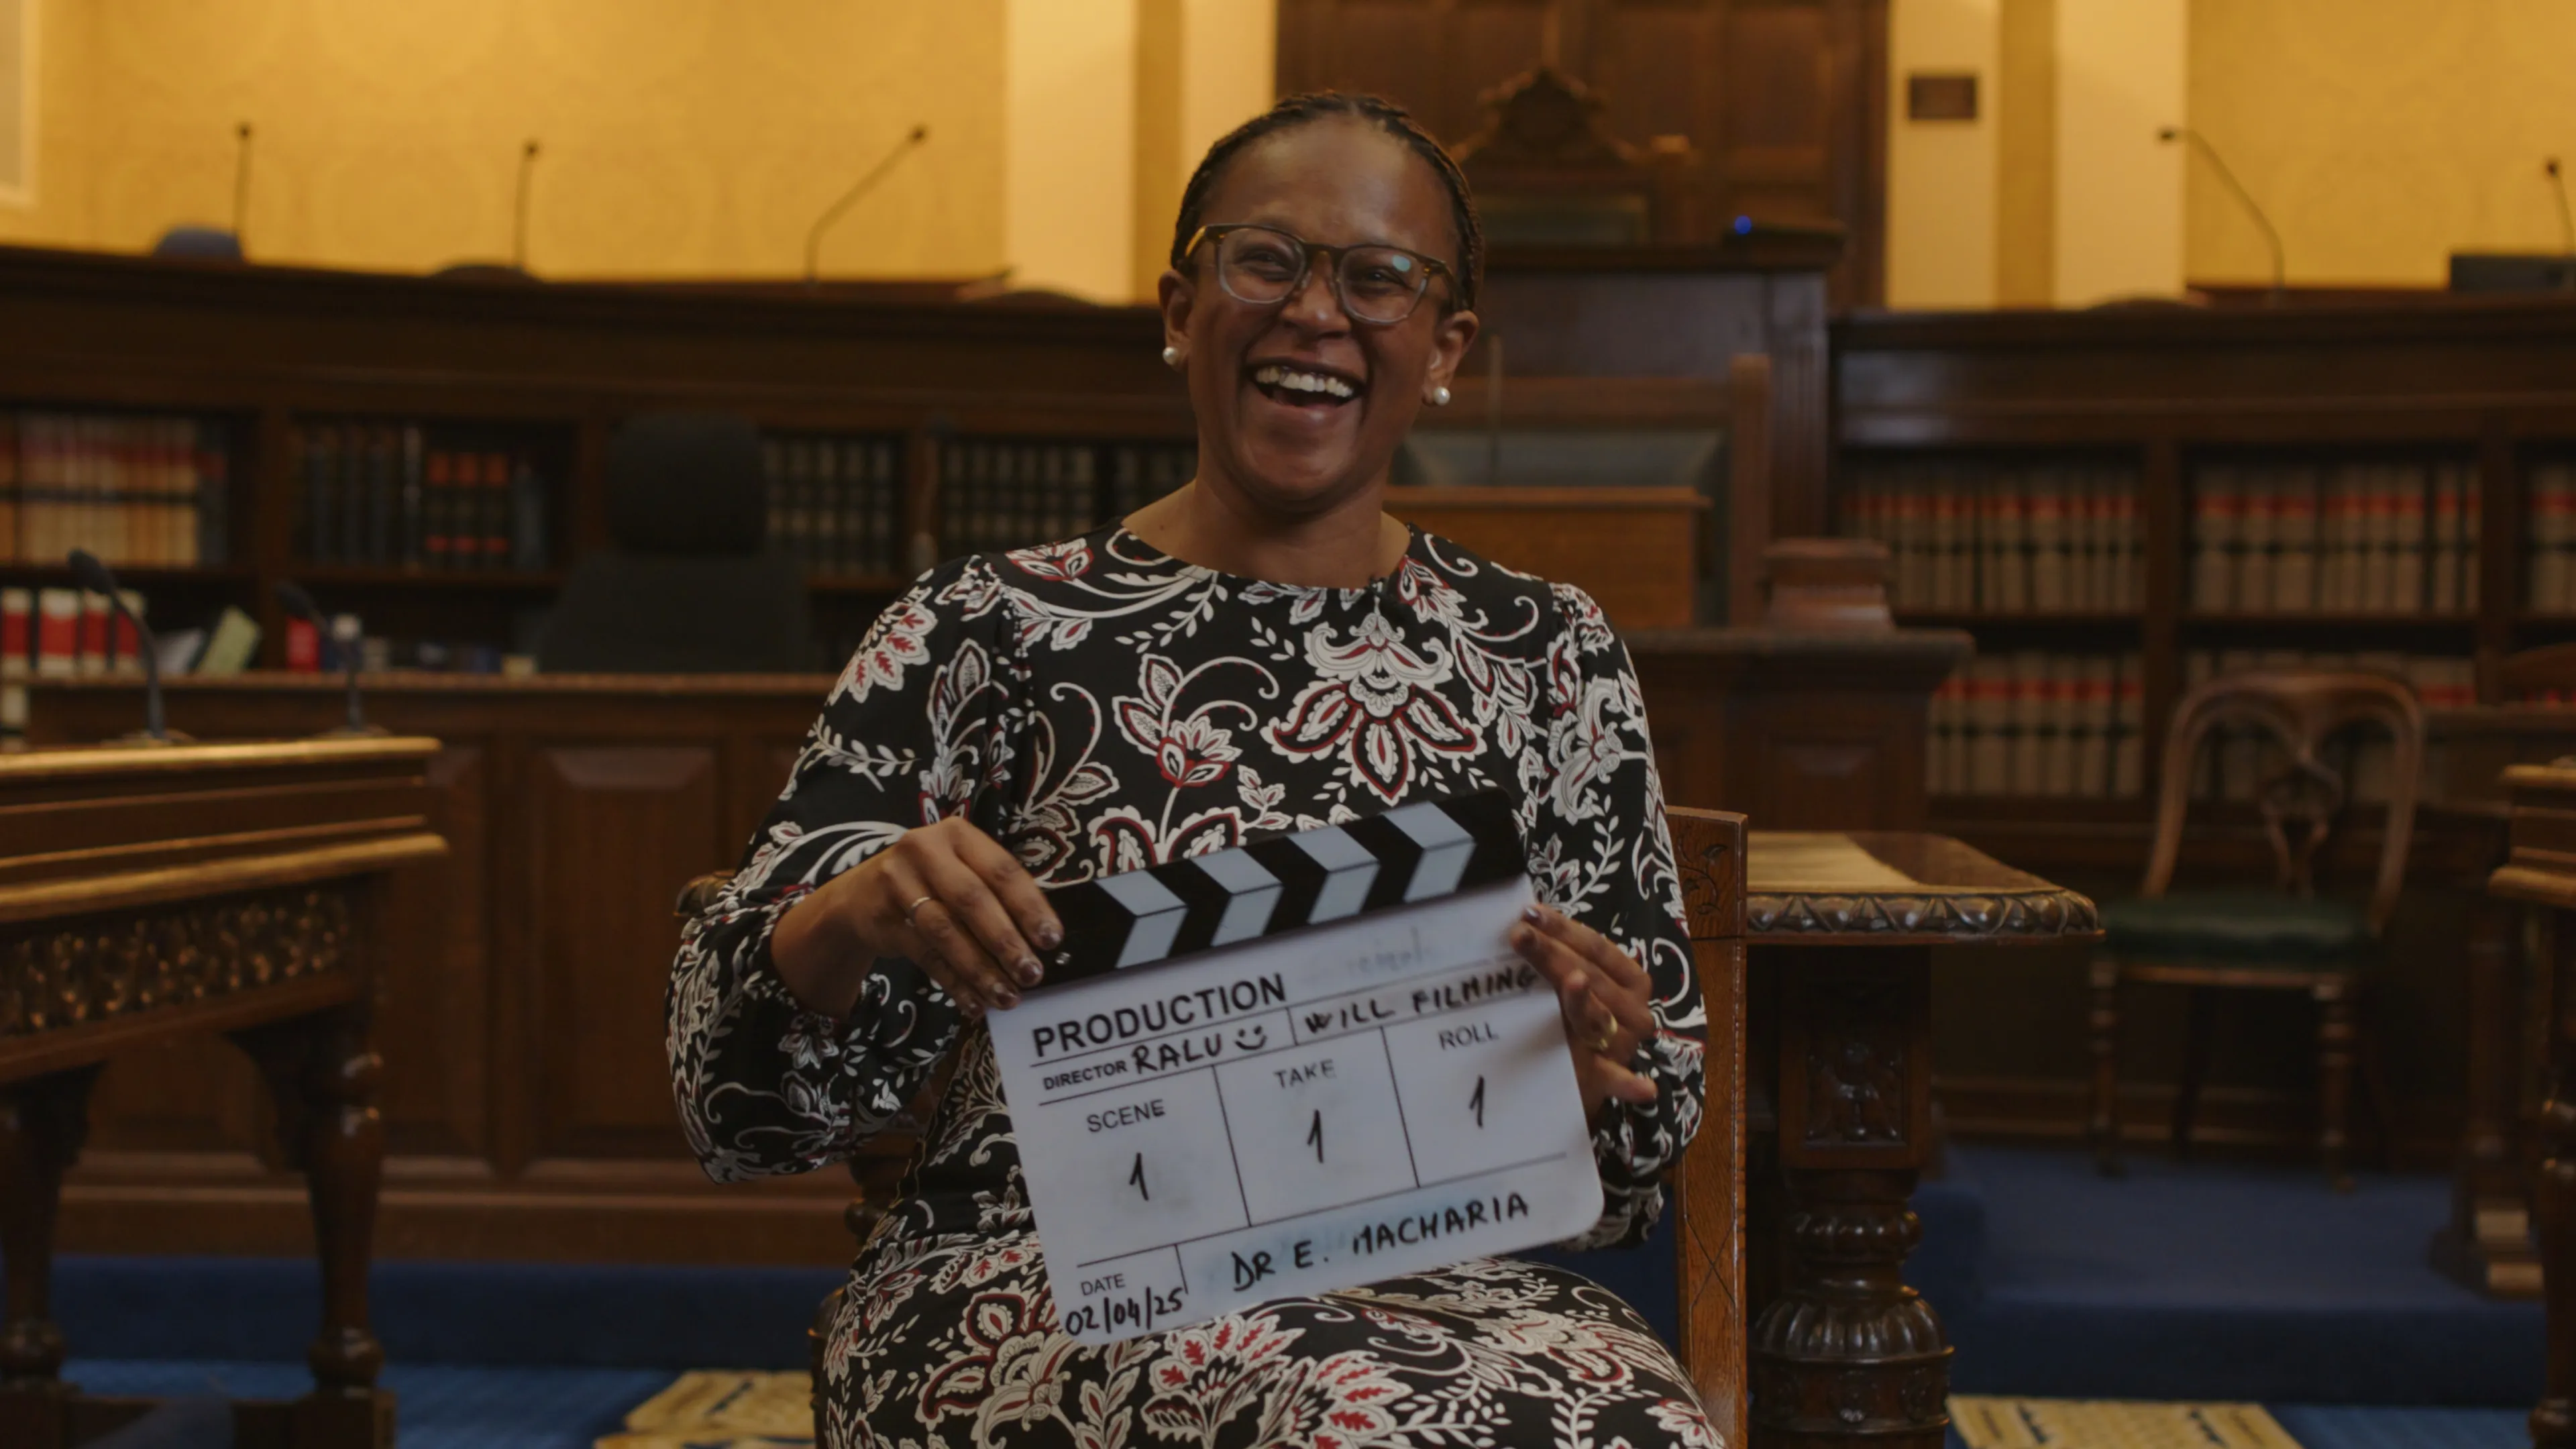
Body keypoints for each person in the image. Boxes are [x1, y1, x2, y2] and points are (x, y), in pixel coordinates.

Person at [669, 91, 1718, 1448]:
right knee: (1358, 1423)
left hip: (1443, 1280)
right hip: (1038, 1277)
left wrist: (1589, 1065)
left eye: (1379, 279)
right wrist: (856, 911)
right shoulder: (982, 627)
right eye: (1264, 261)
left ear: (1445, 345)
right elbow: (737, 1101)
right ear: (1179, 308)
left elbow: (1650, 1126)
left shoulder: (1550, 650)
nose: (1316, 313)